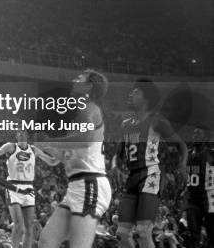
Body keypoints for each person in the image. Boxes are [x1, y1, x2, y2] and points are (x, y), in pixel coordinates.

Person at [36, 69, 112, 248]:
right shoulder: (79, 116)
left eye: (79, 78)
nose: (73, 80)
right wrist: (46, 147)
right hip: (78, 185)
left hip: (90, 183)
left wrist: (50, 140)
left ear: (89, 86)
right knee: (46, 242)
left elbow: (86, 141)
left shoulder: (89, 107)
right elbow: (67, 157)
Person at [115, 79, 188, 248]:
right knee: (122, 234)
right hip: (132, 176)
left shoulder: (157, 121)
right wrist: (114, 166)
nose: (131, 94)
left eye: (136, 92)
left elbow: (182, 145)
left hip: (151, 174)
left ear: (146, 98)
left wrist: (182, 165)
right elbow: (118, 154)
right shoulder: (125, 124)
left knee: (143, 231)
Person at [0, 130, 60, 248]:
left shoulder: (34, 150)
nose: (20, 134)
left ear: (27, 135)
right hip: (13, 187)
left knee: (29, 228)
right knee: (18, 225)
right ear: (16, 135)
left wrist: (61, 151)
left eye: (23, 132)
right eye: (18, 132)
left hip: (29, 188)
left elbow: (52, 161)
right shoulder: (10, 147)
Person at [183, 129, 214, 248]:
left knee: (212, 234)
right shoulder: (189, 154)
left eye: (199, 133)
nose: (195, 135)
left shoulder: (210, 154)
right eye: (194, 133)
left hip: (208, 198)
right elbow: (190, 173)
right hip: (192, 198)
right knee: (193, 234)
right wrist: (185, 188)